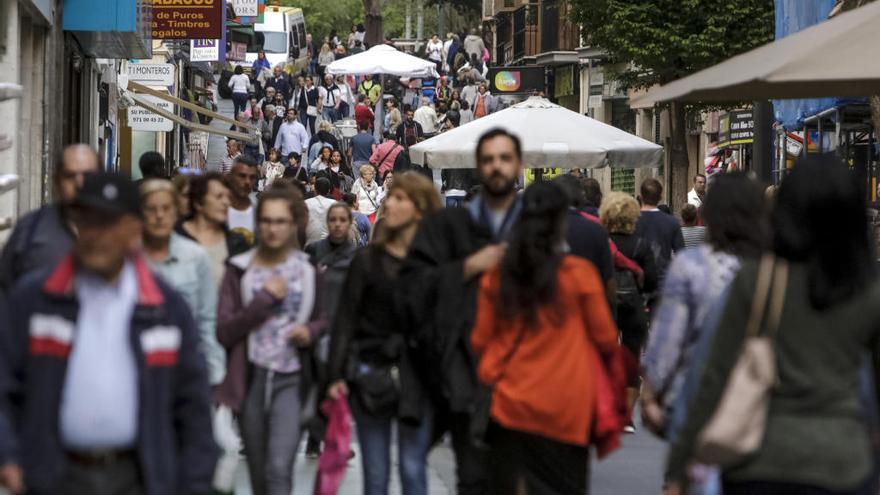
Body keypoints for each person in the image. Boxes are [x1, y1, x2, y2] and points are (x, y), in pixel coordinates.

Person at [665, 155, 880, 495]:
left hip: (760, 462)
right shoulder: (866, 291)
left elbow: (714, 376)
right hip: (844, 463)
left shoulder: (756, 279)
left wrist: (678, 469)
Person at [0, 172, 217, 495]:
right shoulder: (37, 300)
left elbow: (192, 405)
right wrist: (8, 454)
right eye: (88, 221)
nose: (96, 234)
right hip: (55, 475)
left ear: (133, 230)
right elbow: (4, 384)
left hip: (139, 476)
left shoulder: (164, 309)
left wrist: (194, 481)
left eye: (109, 223)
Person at [470, 182, 620, 495]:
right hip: (568, 407)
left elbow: (481, 340)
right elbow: (606, 338)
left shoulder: (498, 276)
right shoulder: (579, 275)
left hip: (510, 405)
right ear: (560, 224)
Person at [401, 129, 528, 495]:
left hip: (523, 375)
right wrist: (468, 267)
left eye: (505, 158)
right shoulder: (446, 228)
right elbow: (414, 289)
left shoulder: (538, 228)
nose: (496, 167)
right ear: (478, 167)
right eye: (488, 159)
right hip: (463, 376)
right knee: (472, 477)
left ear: (517, 165)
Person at [327, 172, 442, 495]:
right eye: (390, 197)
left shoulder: (435, 261)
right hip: (371, 374)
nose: (389, 203)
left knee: (412, 468)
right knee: (375, 475)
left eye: (399, 198)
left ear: (420, 209)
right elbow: (346, 317)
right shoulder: (367, 260)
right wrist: (335, 374)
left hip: (419, 377)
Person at [643, 173, 769, 445]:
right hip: (762, 409)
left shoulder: (692, 266)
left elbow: (668, 341)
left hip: (697, 399)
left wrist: (651, 395)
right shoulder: (777, 268)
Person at [215, 187, 324, 495]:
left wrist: (310, 332)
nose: (273, 228)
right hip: (250, 378)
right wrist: (262, 300)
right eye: (266, 221)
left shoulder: (308, 270)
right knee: (260, 473)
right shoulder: (239, 270)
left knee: (279, 469)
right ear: (257, 223)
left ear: (293, 225)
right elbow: (225, 331)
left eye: (280, 221)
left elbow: (321, 318)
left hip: (291, 379)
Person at [0, 144, 98, 292]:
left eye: (88, 175)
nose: (79, 183)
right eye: (70, 176)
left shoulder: (122, 231)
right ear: (57, 181)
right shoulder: (31, 228)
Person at [599, 191, 658, 432]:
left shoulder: (602, 242)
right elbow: (652, 280)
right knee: (632, 359)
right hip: (634, 306)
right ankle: (626, 417)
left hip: (605, 305)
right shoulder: (641, 245)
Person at [176, 173, 250, 285]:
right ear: (199, 202)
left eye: (228, 198)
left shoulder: (238, 243)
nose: (226, 202)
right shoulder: (173, 237)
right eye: (219, 196)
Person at [635, 178, 685, 289]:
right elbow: (681, 254)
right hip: (662, 282)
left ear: (641, 196)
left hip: (637, 282)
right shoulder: (672, 222)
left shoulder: (631, 221)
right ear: (660, 197)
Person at [227, 155, 258, 244]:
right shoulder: (217, 212)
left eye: (252, 177)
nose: (247, 182)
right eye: (242, 176)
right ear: (230, 177)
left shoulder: (260, 215)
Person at [305, 177, 337, 245]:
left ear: (315, 190)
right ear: (328, 190)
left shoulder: (305, 203)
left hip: (310, 245)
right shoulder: (335, 204)